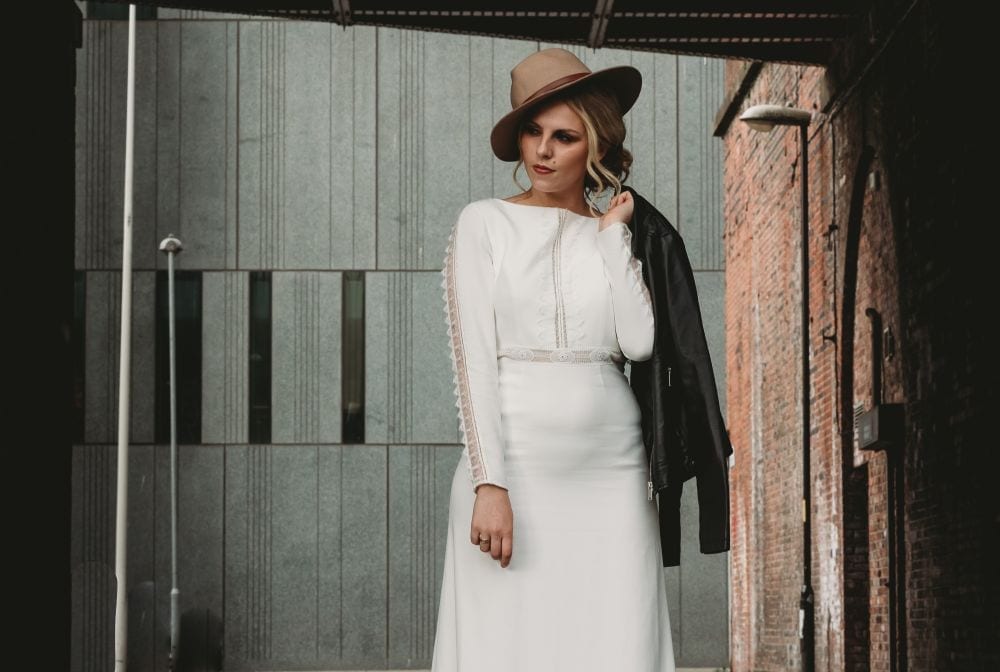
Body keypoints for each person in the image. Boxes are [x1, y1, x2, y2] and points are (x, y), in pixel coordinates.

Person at [431, 47, 676, 671]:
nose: (542, 151)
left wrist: (615, 239)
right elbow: (473, 362)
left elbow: (642, 343)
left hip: (613, 472)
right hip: (515, 467)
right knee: (506, 647)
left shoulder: (611, 234)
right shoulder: (483, 223)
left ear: (593, 146)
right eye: (532, 132)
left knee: (615, 643)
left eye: (563, 137)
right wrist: (490, 482)